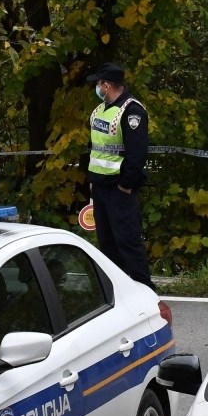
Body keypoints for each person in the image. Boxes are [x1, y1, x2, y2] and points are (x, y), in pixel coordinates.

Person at [84, 62, 151, 287]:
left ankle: (145, 289)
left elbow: (137, 154)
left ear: (107, 85)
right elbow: (95, 148)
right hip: (101, 187)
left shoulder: (131, 111)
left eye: (98, 84)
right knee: (108, 243)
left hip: (119, 190)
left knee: (128, 241)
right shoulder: (100, 111)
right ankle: (119, 289)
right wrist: (92, 181)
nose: (97, 88)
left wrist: (125, 185)